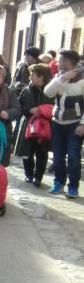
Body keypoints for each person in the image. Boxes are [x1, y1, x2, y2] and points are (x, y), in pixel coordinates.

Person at [44, 49, 84, 198]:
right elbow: (48, 92)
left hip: (75, 123)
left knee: (73, 156)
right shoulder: (59, 76)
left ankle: (73, 187)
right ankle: (58, 182)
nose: (58, 63)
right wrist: (63, 78)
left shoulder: (82, 78)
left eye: (61, 61)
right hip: (57, 122)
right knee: (58, 156)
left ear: (69, 62)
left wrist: (83, 124)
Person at [15, 63, 53, 186]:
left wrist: (43, 110)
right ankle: (29, 175)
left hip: (45, 125)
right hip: (28, 124)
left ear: (41, 77)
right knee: (28, 152)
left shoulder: (50, 91)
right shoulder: (26, 90)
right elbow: (19, 106)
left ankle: (38, 177)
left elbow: (54, 107)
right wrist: (28, 110)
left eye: (33, 75)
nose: (30, 77)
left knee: (42, 152)